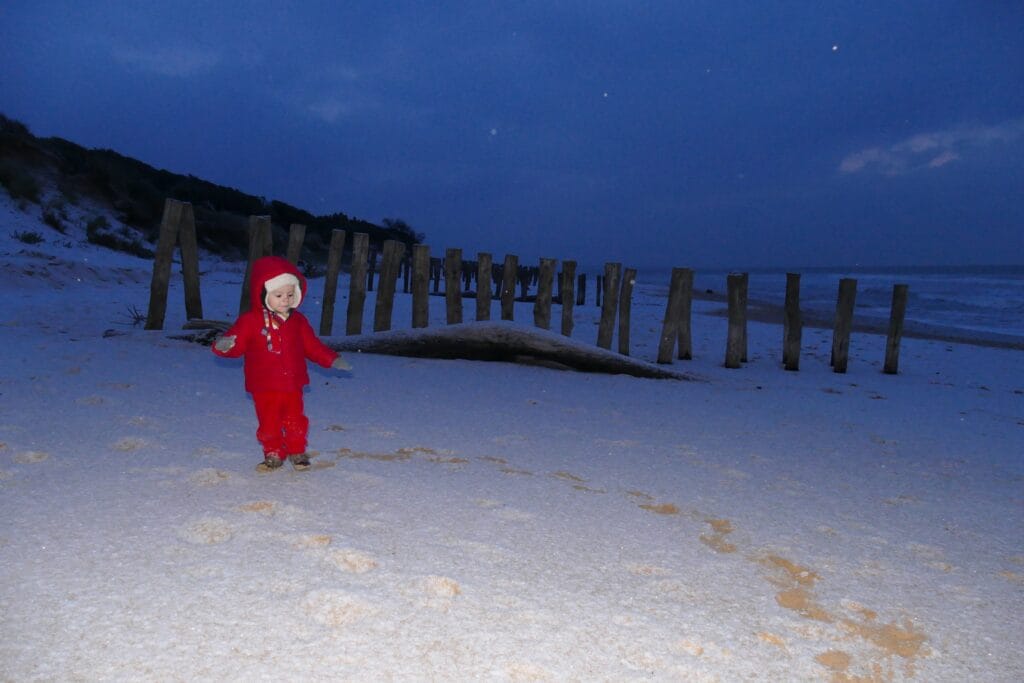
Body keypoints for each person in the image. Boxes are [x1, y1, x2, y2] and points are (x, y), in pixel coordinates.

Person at [213, 255, 351, 471]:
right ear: (263, 293)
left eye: (290, 294)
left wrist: (332, 358)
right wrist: (225, 345)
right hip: (264, 385)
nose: (285, 299)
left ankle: (297, 451)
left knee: (295, 419)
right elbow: (236, 345)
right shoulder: (250, 321)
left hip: (292, 384)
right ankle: (273, 452)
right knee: (269, 422)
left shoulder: (298, 322)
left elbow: (312, 346)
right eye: (278, 295)